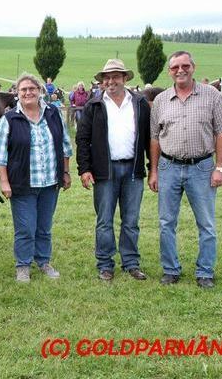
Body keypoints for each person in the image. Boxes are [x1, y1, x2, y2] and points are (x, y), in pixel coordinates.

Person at [149, 51, 222, 288]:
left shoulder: (212, 96)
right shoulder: (160, 100)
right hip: (168, 166)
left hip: (202, 167)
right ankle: (170, 269)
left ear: (193, 67)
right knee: (166, 222)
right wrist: (154, 171)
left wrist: (220, 167)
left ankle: (205, 272)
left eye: (185, 65)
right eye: (175, 67)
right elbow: (155, 138)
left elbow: (221, 132)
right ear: (169, 71)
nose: (180, 70)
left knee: (206, 223)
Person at [0, 73, 72, 283]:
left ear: (40, 91)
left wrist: (65, 172)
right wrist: (4, 182)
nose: (28, 93)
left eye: (32, 89)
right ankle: (23, 266)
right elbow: (0, 156)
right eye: (23, 90)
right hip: (22, 184)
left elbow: (65, 146)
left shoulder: (54, 114)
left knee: (44, 226)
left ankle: (43, 261)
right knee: (26, 228)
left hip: (49, 183)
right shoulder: (8, 119)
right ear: (17, 94)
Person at [76, 59, 151, 281]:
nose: (110, 81)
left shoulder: (139, 103)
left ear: (125, 78)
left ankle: (130, 262)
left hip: (133, 170)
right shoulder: (94, 105)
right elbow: (82, 138)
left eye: (115, 76)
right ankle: (105, 264)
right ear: (102, 81)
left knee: (131, 220)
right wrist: (84, 168)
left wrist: (151, 168)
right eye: (106, 78)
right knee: (104, 220)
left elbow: (148, 137)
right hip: (104, 171)